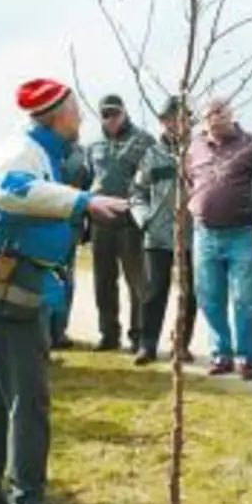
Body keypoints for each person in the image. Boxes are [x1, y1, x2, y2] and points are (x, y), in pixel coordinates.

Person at [0, 78, 129, 504]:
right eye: (75, 110)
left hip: (12, 278)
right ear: (55, 114)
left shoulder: (38, 151)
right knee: (29, 400)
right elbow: (10, 194)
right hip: (10, 282)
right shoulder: (21, 153)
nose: (81, 118)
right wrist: (82, 202)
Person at [189, 97, 252, 380]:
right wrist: (194, 203)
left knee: (246, 298)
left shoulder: (251, 144)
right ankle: (221, 353)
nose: (214, 118)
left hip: (240, 232)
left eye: (220, 112)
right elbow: (189, 179)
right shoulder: (195, 146)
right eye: (208, 114)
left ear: (233, 113)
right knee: (209, 296)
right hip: (204, 233)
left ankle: (247, 356)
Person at [84, 93, 154, 352]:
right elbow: (87, 179)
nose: (111, 119)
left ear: (124, 112)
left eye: (115, 113)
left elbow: (152, 182)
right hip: (101, 223)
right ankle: (108, 334)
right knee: (103, 282)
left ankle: (138, 336)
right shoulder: (92, 146)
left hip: (130, 222)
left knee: (137, 282)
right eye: (105, 114)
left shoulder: (144, 141)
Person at [130, 97, 197, 365]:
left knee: (190, 293)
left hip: (192, 236)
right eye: (167, 118)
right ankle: (147, 345)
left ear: (187, 120)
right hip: (157, 236)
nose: (172, 123)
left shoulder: (199, 151)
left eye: (178, 117)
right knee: (154, 292)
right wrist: (144, 219)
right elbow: (136, 192)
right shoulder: (152, 155)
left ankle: (181, 344)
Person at [52, 139, 93, 350]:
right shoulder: (41, 149)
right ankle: (44, 330)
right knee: (45, 276)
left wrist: (88, 225)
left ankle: (59, 330)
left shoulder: (82, 154)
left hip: (70, 225)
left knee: (65, 279)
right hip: (45, 223)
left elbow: (89, 189)